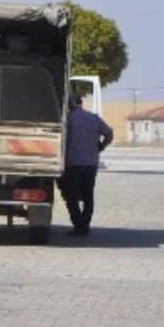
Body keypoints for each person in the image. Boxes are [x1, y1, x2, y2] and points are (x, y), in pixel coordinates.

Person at [60, 92, 114, 237]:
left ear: (70, 104)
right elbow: (109, 133)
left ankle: (79, 225)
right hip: (91, 164)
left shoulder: (69, 120)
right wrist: (101, 147)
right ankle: (84, 225)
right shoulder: (94, 118)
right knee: (88, 195)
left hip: (73, 164)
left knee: (70, 195)